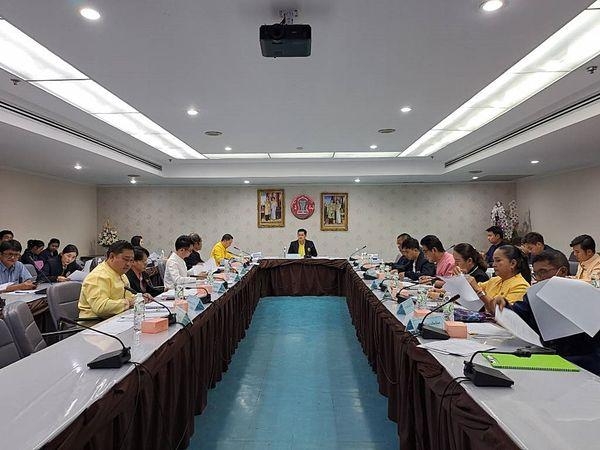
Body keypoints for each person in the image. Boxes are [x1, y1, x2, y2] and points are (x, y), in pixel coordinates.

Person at [491, 250, 600, 375]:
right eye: (536, 274)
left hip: (582, 364)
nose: (538, 278)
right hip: (544, 357)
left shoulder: (586, 296)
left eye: (543, 272)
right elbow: (519, 317)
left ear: (563, 271)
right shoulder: (535, 295)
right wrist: (504, 305)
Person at [78, 240, 149, 319]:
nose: (128, 264)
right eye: (126, 259)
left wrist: (140, 298)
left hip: (117, 318)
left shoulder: (121, 274)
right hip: (96, 323)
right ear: (111, 257)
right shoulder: (98, 276)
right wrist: (128, 303)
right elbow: (100, 307)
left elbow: (129, 297)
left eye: (131, 260)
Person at [465, 244, 531, 310]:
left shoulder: (521, 286)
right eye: (493, 261)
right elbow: (472, 289)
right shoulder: (495, 280)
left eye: (498, 260)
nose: (493, 265)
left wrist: (478, 290)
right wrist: (462, 277)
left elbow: (503, 312)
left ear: (512, 263)